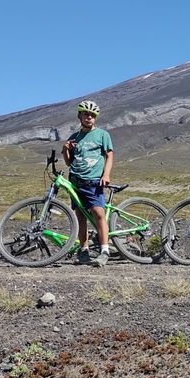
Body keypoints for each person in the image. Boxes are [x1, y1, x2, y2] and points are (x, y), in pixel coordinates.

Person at [62, 100, 114, 267]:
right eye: (86, 114)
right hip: (76, 180)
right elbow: (69, 163)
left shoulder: (102, 135)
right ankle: (83, 249)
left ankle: (105, 250)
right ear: (80, 116)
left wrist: (106, 174)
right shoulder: (75, 137)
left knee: (98, 213)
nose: (89, 117)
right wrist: (65, 150)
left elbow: (109, 155)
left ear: (95, 118)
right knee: (80, 216)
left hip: (93, 180)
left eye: (92, 115)